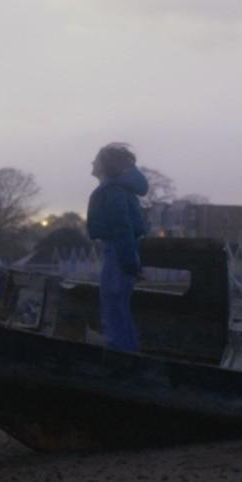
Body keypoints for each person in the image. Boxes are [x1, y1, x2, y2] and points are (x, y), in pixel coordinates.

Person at [86, 143, 148, 352]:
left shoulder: (113, 191)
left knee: (113, 303)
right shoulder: (117, 189)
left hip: (118, 253)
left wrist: (129, 263)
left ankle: (120, 353)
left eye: (97, 158)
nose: (92, 162)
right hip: (121, 252)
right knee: (119, 305)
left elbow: (123, 229)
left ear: (106, 165)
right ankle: (127, 351)